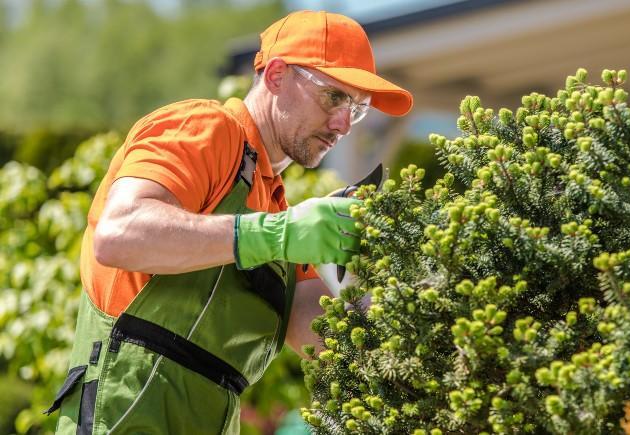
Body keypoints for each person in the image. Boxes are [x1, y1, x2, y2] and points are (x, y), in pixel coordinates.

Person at [46, 10, 412, 434]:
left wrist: (412, 298)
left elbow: (328, 339)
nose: (344, 124)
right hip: (125, 414)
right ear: (275, 75)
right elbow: (119, 233)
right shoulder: (206, 129)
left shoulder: (276, 208)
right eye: (334, 97)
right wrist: (279, 233)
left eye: (358, 109)